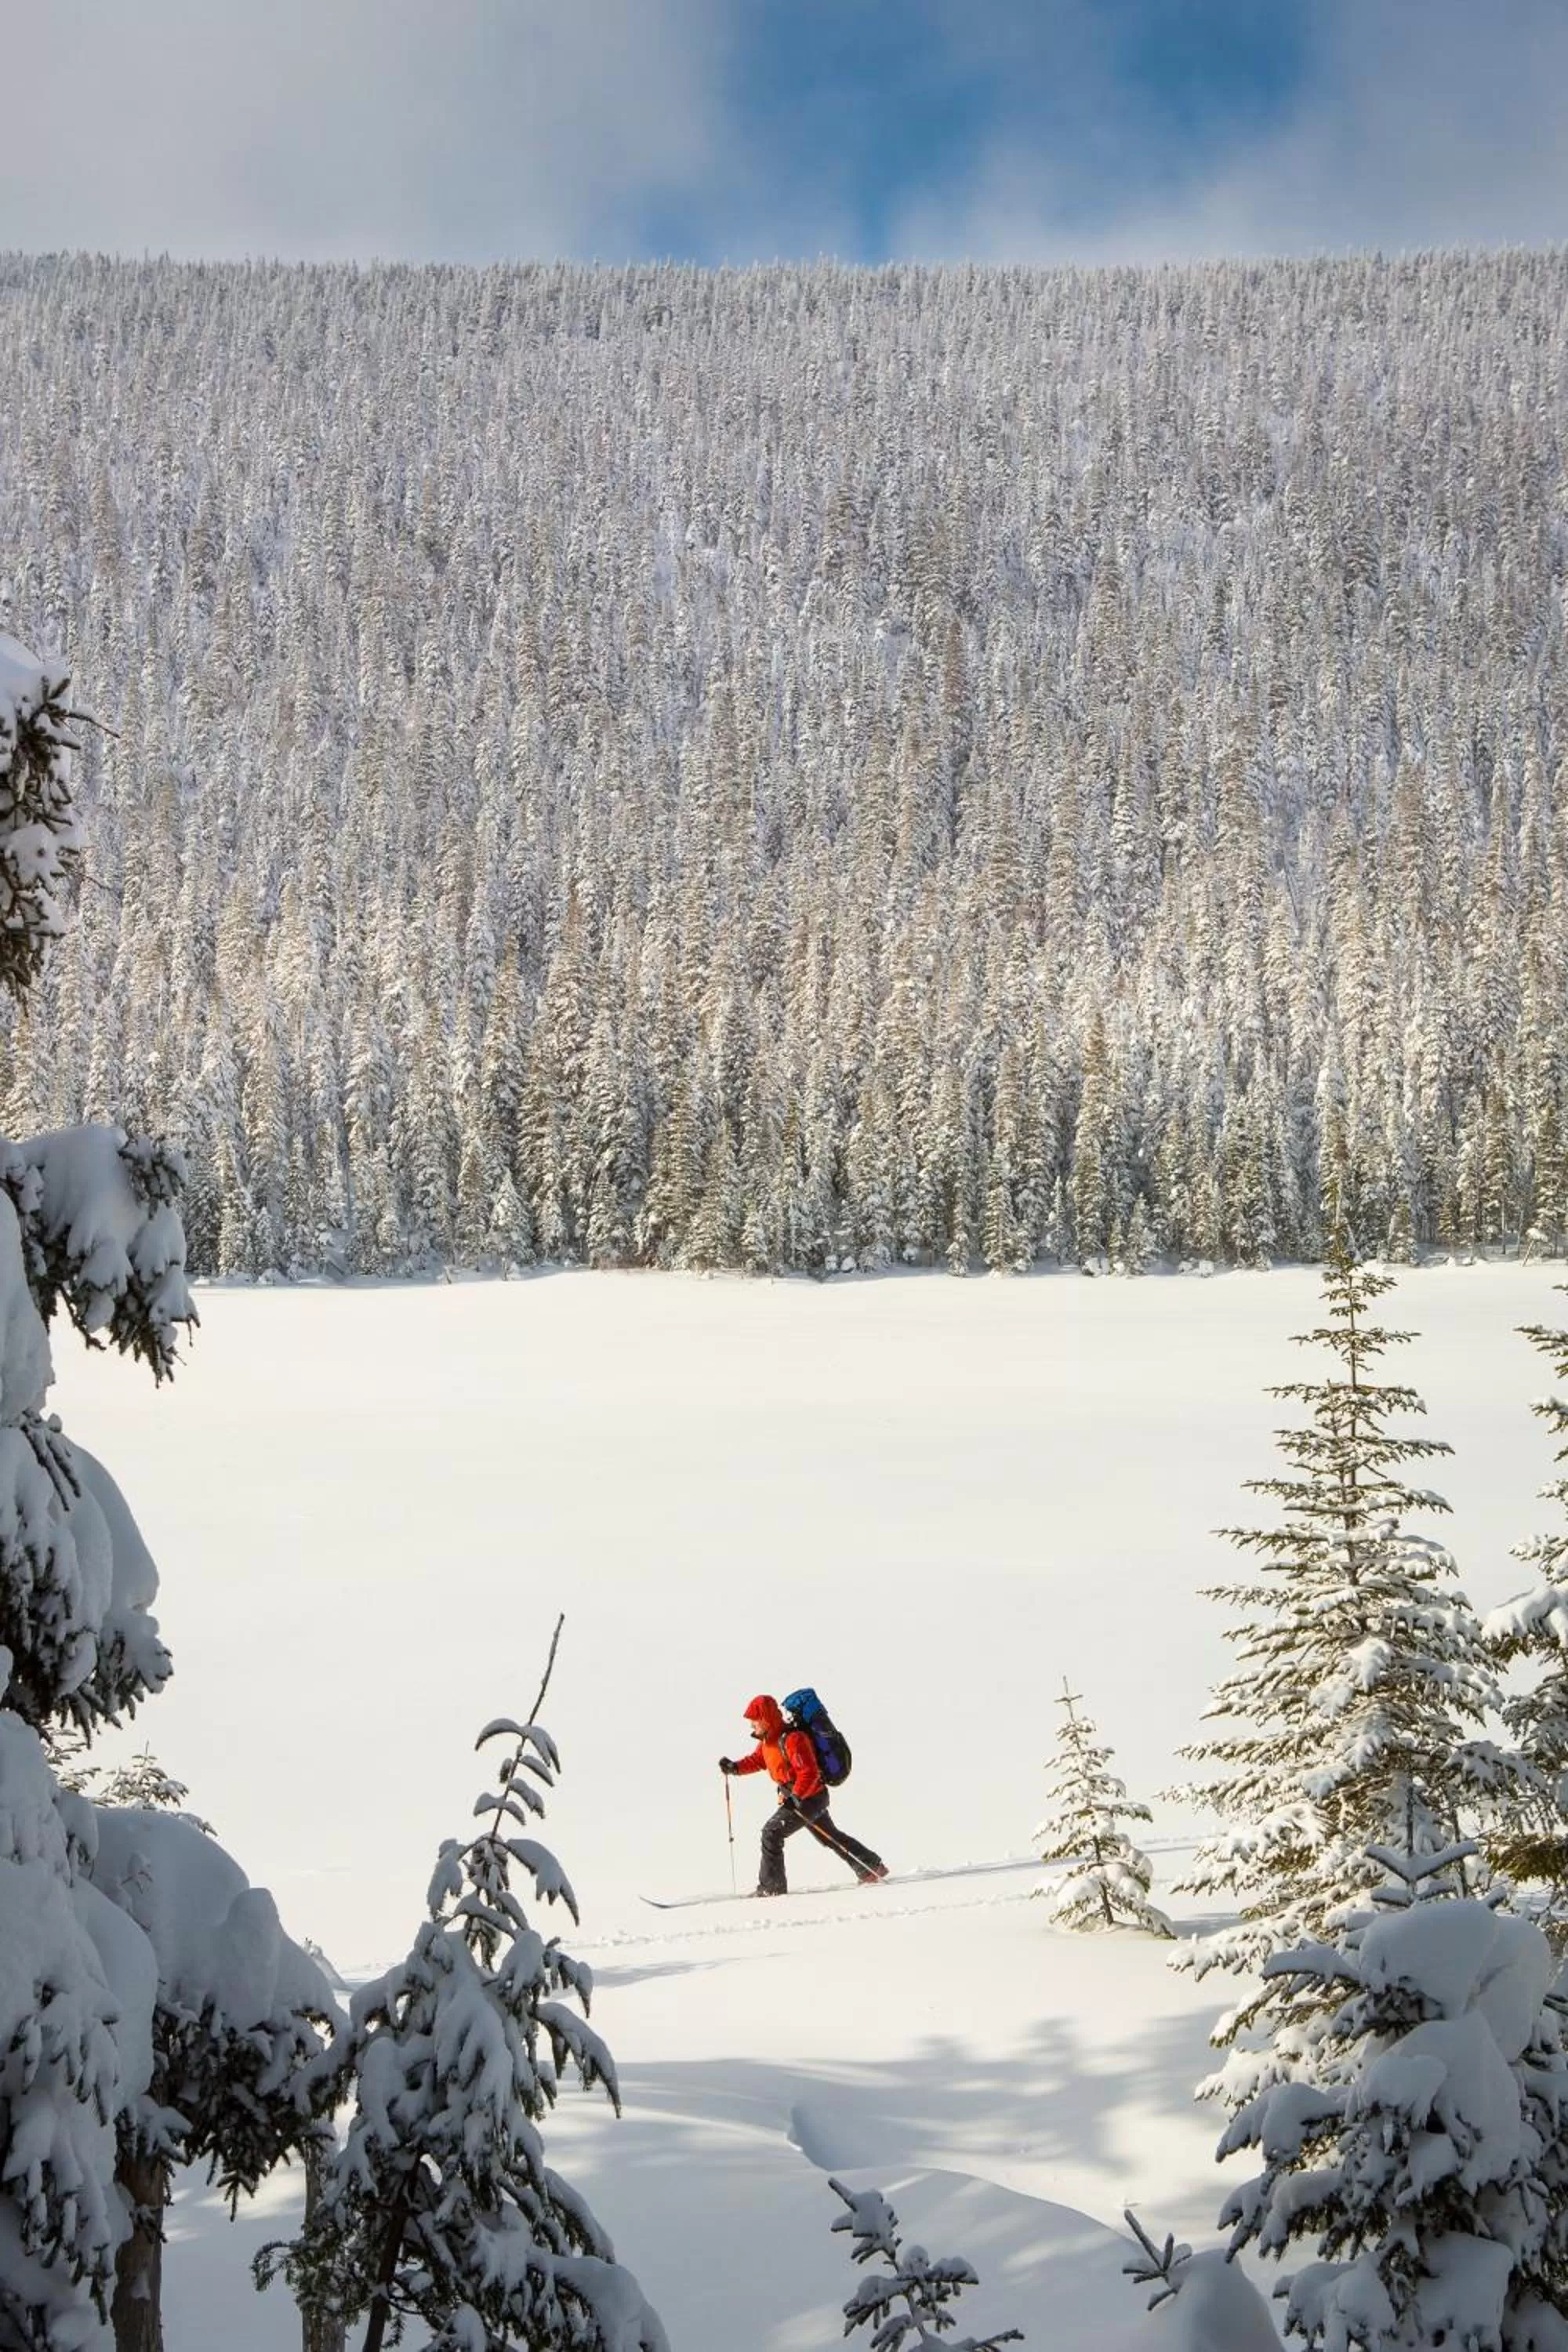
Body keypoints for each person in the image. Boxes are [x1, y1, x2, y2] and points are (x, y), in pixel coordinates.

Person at [720, 1693, 887, 1896]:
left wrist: (796, 1797)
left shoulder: (793, 1739)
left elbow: (809, 1772)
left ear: (765, 1718)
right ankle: (871, 1867)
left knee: (771, 1833)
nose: (752, 1725)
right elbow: (757, 1760)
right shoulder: (767, 1742)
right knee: (830, 1837)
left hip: (809, 1799)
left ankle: (771, 1888)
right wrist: (735, 1767)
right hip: (800, 1799)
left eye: (754, 1720)